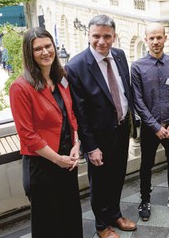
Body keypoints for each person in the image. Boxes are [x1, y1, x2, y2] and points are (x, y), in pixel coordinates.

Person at [66, 15, 136, 238]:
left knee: (118, 177)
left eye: (107, 36)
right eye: (96, 36)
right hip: (99, 138)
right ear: (88, 35)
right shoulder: (76, 66)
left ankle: (115, 214)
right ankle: (101, 225)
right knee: (99, 184)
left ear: (114, 37)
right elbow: (80, 113)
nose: (101, 41)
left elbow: (126, 90)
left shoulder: (120, 55)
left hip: (122, 129)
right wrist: (91, 146)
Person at [9, 28, 83, 237]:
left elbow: (71, 115)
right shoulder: (20, 87)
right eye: (37, 49)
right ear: (29, 53)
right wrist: (57, 159)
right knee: (48, 225)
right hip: (42, 166)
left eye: (48, 46)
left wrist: (76, 145)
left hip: (67, 161)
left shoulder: (61, 78)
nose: (45, 52)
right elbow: (27, 135)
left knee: (71, 216)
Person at [131, 24, 169, 221]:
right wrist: (155, 127)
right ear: (146, 40)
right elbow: (137, 101)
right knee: (146, 164)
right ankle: (145, 200)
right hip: (150, 128)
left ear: (166, 38)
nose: (156, 42)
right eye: (152, 38)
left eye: (159, 37)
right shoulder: (138, 67)